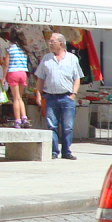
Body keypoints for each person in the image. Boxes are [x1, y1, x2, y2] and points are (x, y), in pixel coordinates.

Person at [34, 32, 84, 160]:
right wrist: (38, 94)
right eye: (49, 41)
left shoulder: (72, 58)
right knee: (52, 126)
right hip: (50, 97)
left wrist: (74, 94)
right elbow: (40, 78)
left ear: (60, 43)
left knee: (67, 126)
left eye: (52, 41)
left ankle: (66, 151)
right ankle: (54, 151)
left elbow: (77, 78)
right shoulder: (46, 58)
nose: (50, 44)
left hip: (67, 97)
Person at [6, 28, 31, 128]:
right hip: (23, 73)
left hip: (13, 72)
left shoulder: (10, 49)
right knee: (20, 97)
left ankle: (17, 120)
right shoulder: (24, 49)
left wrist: (4, 77)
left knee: (15, 98)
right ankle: (24, 117)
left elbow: (6, 64)